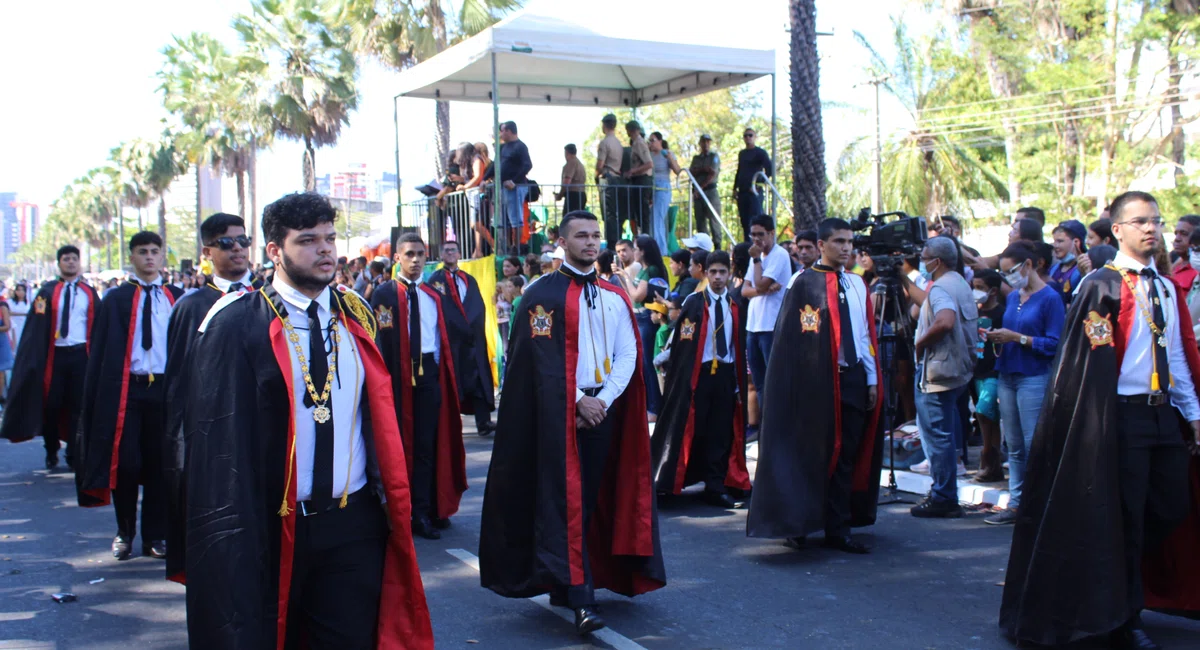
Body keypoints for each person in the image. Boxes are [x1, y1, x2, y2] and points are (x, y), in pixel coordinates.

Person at [179, 192, 432, 648]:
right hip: (272, 524)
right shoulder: (235, 323)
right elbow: (215, 443)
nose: (325, 250)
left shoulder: (356, 316)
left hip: (351, 521)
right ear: (274, 250)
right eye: (308, 240)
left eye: (330, 238)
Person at [1000, 191, 1200, 649]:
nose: (1151, 228)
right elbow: (1088, 367)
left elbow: (1180, 358)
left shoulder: (1166, 287)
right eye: (1140, 221)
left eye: (1156, 220)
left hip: (1163, 415)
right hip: (1122, 419)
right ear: (1119, 231)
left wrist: (1193, 413)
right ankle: (1125, 615)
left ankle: (1130, 588)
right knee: (1123, 517)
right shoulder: (1102, 286)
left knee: (1171, 506)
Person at [479, 210, 666, 636]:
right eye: (581, 235)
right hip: (553, 417)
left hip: (604, 411)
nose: (590, 241)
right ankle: (581, 596)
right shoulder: (540, 295)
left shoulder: (615, 295)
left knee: (593, 497)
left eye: (595, 235)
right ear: (563, 242)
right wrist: (579, 400)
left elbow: (628, 354)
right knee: (566, 502)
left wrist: (602, 400)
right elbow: (538, 364)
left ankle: (569, 582)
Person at [747, 218, 883, 553]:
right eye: (839, 241)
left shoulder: (857, 285)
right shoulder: (803, 283)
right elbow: (789, 343)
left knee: (847, 454)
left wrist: (871, 378)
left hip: (850, 378)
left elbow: (865, 336)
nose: (847, 247)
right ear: (821, 245)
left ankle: (840, 528)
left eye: (850, 241)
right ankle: (799, 522)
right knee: (807, 452)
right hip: (814, 384)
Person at [75, 231, 185, 561]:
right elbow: (102, 350)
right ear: (132, 257)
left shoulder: (177, 296)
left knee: (159, 464)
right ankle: (125, 531)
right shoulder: (116, 299)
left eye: (155, 251)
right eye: (142, 252)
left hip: (165, 389)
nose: (149, 257)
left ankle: (155, 536)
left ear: (163, 256)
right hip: (128, 388)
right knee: (124, 463)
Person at [163, 212, 255, 581]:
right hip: (213, 435)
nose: (237, 249)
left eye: (243, 241)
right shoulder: (191, 306)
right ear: (207, 251)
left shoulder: (268, 298)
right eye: (226, 243)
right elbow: (179, 384)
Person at [371, 233, 466, 539]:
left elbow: (445, 340)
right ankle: (396, 509)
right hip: (395, 379)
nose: (415, 260)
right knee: (396, 447)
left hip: (428, 376)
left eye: (420, 254)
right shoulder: (384, 294)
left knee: (427, 445)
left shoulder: (433, 295)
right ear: (397, 258)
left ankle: (422, 511)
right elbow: (379, 342)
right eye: (409, 254)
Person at [651, 250, 751, 508]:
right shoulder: (694, 303)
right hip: (699, 376)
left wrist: (739, 381)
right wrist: (670, 364)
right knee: (692, 427)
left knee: (721, 431)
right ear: (706, 273)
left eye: (722, 272)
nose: (718, 277)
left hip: (726, 376)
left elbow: (738, 345)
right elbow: (683, 342)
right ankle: (672, 480)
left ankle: (715, 486)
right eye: (713, 272)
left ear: (730, 274)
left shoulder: (734, 306)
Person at [982, 243, 1064, 525]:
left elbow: (1055, 344)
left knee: (1033, 444)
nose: (1008, 277)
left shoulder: (1050, 298)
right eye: (1003, 273)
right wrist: (996, 336)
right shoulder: (1016, 295)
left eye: (1012, 271)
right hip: (1008, 373)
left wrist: (1018, 338)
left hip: (1033, 376)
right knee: (1014, 445)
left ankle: (1038, 503)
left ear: (1029, 265)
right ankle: (1017, 504)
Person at [1, 245, 99, 470]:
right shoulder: (46, 292)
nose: (71, 262)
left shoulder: (89, 292)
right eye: (66, 259)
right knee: (51, 404)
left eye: (74, 258)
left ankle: (74, 453)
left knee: (78, 406)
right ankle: (51, 448)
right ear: (59, 263)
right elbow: (37, 326)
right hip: (55, 357)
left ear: (79, 263)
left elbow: (99, 324)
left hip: (81, 355)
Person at [910, 236, 978, 518]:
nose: (922, 261)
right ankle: (944, 491)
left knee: (936, 437)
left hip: (937, 371)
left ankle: (943, 496)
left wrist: (920, 343)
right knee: (945, 433)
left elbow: (945, 320)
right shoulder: (958, 282)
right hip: (957, 370)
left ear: (936, 261)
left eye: (925, 257)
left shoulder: (940, 287)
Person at [428, 240, 496, 436]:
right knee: (452, 381)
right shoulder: (435, 280)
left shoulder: (468, 279)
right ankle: (450, 426)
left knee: (478, 380)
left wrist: (471, 327)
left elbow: (477, 305)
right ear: (441, 255)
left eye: (453, 250)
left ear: (459, 254)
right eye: (446, 250)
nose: (450, 253)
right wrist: (457, 325)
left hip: (472, 340)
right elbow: (441, 308)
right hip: (452, 340)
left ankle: (483, 422)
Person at [742, 215, 790, 429]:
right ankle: (764, 427)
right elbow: (745, 290)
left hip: (771, 327)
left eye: (760, 234)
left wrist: (756, 265)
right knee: (759, 382)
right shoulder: (757, 256)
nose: (756, 239)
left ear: (772, 233)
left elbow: (759, 285)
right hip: (753, 326)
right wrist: (760, 289)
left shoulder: (779, 255)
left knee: (773, 382)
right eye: (753, 235)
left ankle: (776, 427)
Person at [622, 235, 668, 420]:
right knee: (643, 363)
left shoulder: (651, 270)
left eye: (635, 248)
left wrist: (624, 276)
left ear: (643, 251)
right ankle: (650, 405)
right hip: (640, 317)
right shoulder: (644, 270)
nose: (633, 251)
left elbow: (637, 296)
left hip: (647, 318)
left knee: (649, 364)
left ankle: (654, 408)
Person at [971, 269, 1006, 483]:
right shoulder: (974, 311)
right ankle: (993, 461)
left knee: (985, 410)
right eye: (973, 286)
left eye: (980, 288)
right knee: (985, 416)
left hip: (994, 368)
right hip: (977, 368)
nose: (975, 291)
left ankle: (987, 454)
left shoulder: (1002, 313)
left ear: (993, 290)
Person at [483, 121, 532, 251]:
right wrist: (484, 178)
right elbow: (495, 165)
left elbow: (527, 165)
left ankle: (516, 247)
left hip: (515, 188)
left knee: (516, 219)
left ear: (509, 131)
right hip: (502, 188)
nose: (501, 134)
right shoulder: (502, 148)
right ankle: (507, 247)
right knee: (502, 220)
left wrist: (514, 181)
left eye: (503, 131)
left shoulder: (520, 147)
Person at [733, 127, 774, 239]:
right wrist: (734, 188)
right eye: (745, 135)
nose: (748, 138)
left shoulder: (760, 153)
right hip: (742, 192)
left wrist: (758, 184)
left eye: (750, 135)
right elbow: (739, 170)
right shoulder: (742, 154)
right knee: (744, 221)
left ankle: (759, 244)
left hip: (754, 192)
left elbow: (769, 170)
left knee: (756, 220)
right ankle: (747, 246)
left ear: (755, 137)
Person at [596, 114, 626, 248]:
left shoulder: (605, 143)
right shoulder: (618, 143)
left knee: (608, 213)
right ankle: (617, 240)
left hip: (607, 179)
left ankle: (611, 243)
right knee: (616, 212)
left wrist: (596, 176)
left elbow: (599, 164)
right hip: (618, 178)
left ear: (604, 125)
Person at [648, 132, 681, 254]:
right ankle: (654, 249)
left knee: (658, 219)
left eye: (653, 140)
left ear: (660, 141)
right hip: (652, 190)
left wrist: (669, 157)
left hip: (663, 189)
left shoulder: (667, 153)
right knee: (652, 220)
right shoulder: (650, 155)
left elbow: (678, 170)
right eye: (649, 141)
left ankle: (661, 252)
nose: (651, 143)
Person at [688, 134, 723, 248]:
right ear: (700, 144)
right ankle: (704, 247)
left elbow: (712, 173)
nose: (705, 144)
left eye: (708, 142)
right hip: (697, 193)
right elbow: (691, 172)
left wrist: (701, 187)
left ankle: (717, 246)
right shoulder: (696, 159)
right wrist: (703, 169)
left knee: (714, 220)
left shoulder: (714, 157)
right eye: (703, 142)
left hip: (710, 191)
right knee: (700, 221)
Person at [624, 120, 654, 239]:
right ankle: (642, 238)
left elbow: (649, 163)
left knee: (643, 213)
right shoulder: (637, 143)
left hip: (642, 180)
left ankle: (645, 239)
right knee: (639, 213)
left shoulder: (639, 143)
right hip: (639, 180)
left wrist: (633, 171)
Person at [1049, 219, 1088, 302]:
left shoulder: (1084, 269)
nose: (1055, 245)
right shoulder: (1053, 269)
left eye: (1060, 241)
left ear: (1076, 242)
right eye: (1054, 241)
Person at [554, 143, 588, 214]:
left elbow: (567, 182)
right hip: (581, 194)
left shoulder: (571, 163)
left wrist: (559, 195)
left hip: (573, 195)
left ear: (566, 153)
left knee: (569, 219)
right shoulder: (579, 164)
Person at [1171, 214, 1200, 287]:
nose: (1177, 239)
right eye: (1176, 233)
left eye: (1184, 234)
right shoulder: (1173, 268)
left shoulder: (1197, 270)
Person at [8, 282, 30, 351]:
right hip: (14, 326)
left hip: (24, 326)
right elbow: (8, 313)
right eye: (19, 290)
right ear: (16, 292)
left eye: (23, 290)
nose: (21, 292)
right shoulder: (10, 302)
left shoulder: (28, 303)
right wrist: (23, 314)